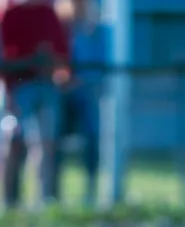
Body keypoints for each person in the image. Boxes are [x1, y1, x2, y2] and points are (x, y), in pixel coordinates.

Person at [0, 0, 69, 208]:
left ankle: (43, 201)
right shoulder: (9, 14)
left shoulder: (48, 13)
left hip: (45, 87)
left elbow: (62, 54)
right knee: (11, 144)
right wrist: (9, 90)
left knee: (45, 144)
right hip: (16, 88)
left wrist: (50, 62)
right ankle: (7, 203)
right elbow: (0, 55)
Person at [55, 0, 111, 207]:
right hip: (62, 94)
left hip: (86, 94)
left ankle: (91, 191)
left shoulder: (96, 30)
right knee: (53, 142)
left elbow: (100, 65)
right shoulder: (62, 27)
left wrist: (81, 80)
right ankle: (53, 193)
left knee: (91, 138)